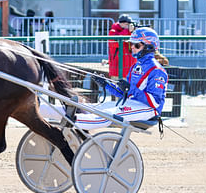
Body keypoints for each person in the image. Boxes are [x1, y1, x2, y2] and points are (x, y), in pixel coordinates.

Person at [40, 27, 168, 130]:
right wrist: (106, 84)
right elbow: (124, 93)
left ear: (149, 47)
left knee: (106, 115)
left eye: (136, 45)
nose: (132, 48)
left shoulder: (157, 71)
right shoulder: (136, 66)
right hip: (130, 104)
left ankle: (70, 120)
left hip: (148, 110)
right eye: (131, 45)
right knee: (94, 108)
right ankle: (41, 109)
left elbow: (154, 102)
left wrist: (131, 89)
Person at [108, 14, 137, 79]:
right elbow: (116, 42)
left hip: (129, 67)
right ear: (122, 23)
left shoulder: (130, 32)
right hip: (117, 68)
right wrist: (127, 31)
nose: (129, 26)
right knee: (116, 88)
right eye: (127, 24)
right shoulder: (113, 31)